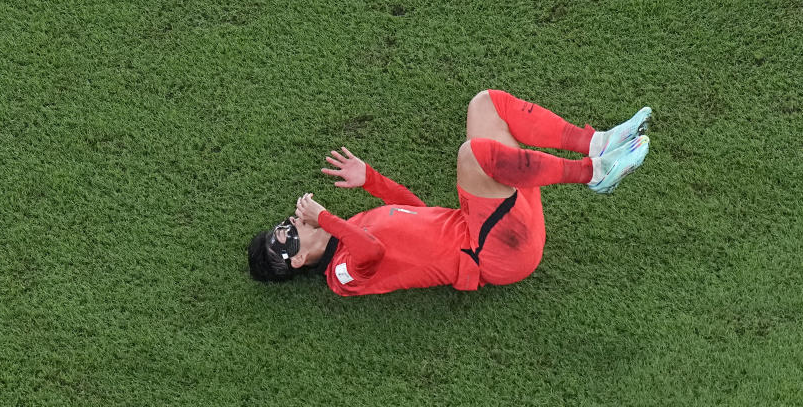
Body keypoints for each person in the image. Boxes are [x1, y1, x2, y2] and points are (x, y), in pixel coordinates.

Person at [247, 89, 651, 296]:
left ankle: (596, 143)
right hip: (493, 253)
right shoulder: (340, 276)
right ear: (298, 259)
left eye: (288, 221)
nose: (295, 220)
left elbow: (415, 211)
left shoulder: (350, 229)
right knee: (471, 156)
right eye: (289, 232)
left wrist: (369, 179)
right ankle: (594, 173)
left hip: (490, 225)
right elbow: (373, 252)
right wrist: (326, 219)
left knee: (485, 106)